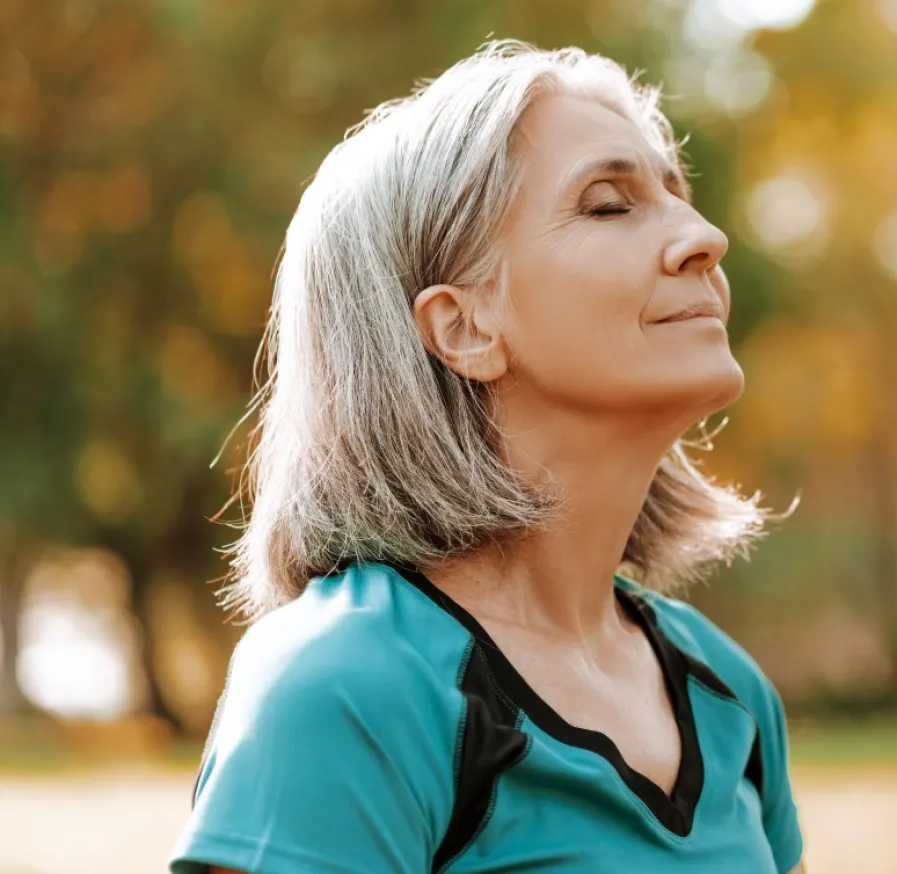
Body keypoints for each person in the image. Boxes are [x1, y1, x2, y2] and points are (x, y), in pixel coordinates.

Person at [167, 40, 807, 874]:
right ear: (464, 327)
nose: (705, 239)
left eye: (680, 196)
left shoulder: (728, 688)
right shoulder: (343, 687)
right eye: (610, 204)